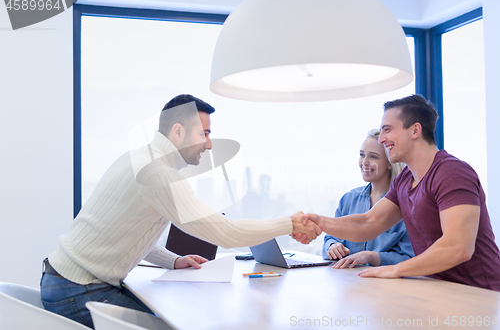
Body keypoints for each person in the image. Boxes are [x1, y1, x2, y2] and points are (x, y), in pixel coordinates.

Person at [40, 94, 321, 328]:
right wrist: (290, 224)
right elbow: (227, 234)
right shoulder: (159, 176)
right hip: (78, 290)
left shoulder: (136, 158)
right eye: (204, 134)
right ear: (178, 132)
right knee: (173, 322)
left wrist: (173, 261)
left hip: (64, 280)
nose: (209, 144)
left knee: (165, 316)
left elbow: (125, 231)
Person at [298, 94, 500, 291]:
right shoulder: (404, 180)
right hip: (441, 293)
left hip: (482, 295)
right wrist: (318, 222)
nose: (382, 138)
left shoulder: (452, 173)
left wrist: (396, 269)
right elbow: (368, 222)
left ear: (415, 130)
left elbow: (459, 247)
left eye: (387, 130)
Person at [323, 129, 414, 269]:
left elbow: (410, 257)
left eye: (373, 157)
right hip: (348, 280)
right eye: (362, 155)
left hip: (386, 284)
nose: (364, 162)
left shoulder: (405, 205)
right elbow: (330, 237)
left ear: (390, 162)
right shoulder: (348, 199)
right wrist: (332, 246)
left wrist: (371, 257)